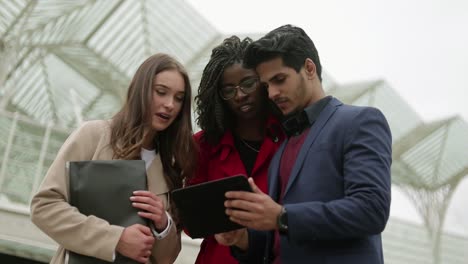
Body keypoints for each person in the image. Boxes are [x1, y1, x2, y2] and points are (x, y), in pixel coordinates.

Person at [216, 25, 392, 264]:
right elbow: (278, 243)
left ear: (309, 68)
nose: (272, 94)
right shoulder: (284, 145)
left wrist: (281, 216)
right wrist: (242, 238)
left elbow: (371, 210)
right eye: (267, 86)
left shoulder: (359, 122)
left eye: (280, 79)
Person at [30, 53, 197, 264]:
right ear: (141, 90)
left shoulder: (170, 168)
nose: (170, 104)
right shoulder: (94, 135)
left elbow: (166, 259)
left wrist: (164, 225)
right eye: (161, 92)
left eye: (179, 98)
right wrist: (115, 239)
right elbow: (44, 206)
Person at [187, 36, 285, 264]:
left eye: (248, 83)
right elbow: (192, 225)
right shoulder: (202, 145)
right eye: (228, 90)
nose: (240, 95)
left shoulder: (289, 138)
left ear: (263, 82)